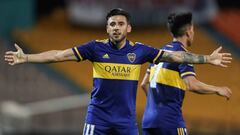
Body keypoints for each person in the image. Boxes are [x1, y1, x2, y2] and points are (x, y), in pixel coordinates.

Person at [4, 8, 232, 135]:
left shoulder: (141, 51)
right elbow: (58, 55)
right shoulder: (94, 47)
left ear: (128, 28)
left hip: (126, 121)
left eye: (120, 23)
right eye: (112, 24)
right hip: (98, 118)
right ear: (107, 28)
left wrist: (206, 59)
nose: (116, 27)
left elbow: (177, 56)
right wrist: (26, 57)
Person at [141, 12, 232, 135]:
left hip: (149, 121)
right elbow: (191, 84)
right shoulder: (183, 56)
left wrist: (156, 107)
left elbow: (144, 84)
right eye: (193, 29)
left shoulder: (160, 53)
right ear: (189, 31)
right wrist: (217, 89)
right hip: (170, 121)